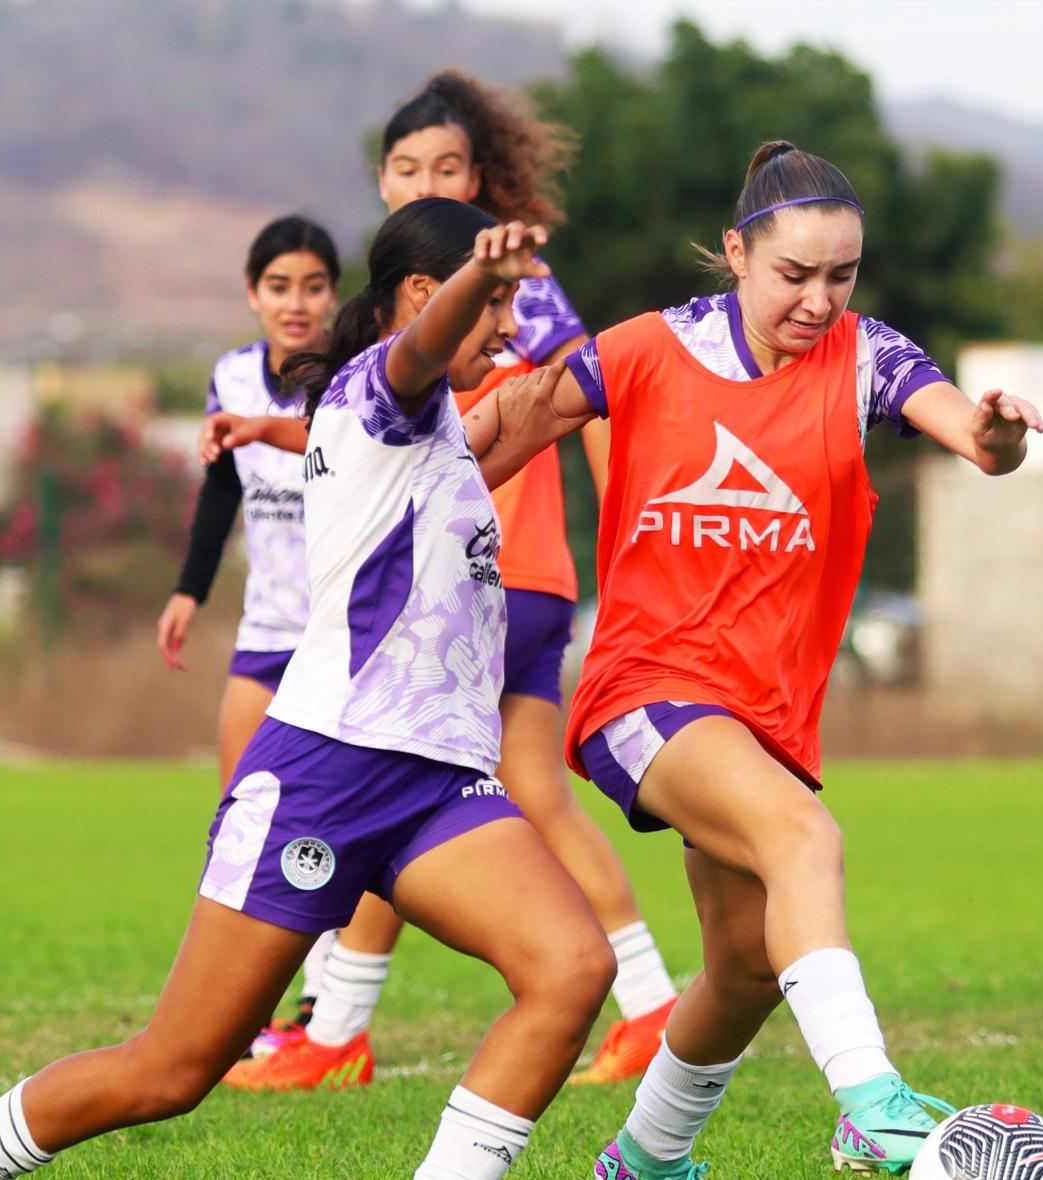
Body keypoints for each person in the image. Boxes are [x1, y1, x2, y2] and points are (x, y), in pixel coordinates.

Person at [0, 199, 615, 1180]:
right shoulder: (374, 394)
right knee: (171, 1071)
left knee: (569, 968)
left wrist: (744, 317)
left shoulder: (444, 442)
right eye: (496, 305)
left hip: (435, 786)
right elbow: (427, 343)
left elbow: (561, 393)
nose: (509, 325)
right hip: (323, 774)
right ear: (427, 294)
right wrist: (480, 271)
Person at [480, 141, 1043, 1178]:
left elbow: (970, 435)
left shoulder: (867, 356)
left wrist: (1000, 434)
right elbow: (490, 442)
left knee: (743, 968)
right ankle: (872, 1104)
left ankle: (644, 1160)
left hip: (762, 717)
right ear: (736, 254)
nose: (819, 299)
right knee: (801, 837)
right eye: (793, 274)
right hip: (643, 691)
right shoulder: (642, 350)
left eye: (841, 275)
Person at [232, 69, 677, 1095]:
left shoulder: (500, 286)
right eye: (404, 168)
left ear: (482, 183)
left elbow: (581, 398)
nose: (421, 180)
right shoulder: (410, 324)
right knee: (463, 791)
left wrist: (629, 546)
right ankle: (341, 1023)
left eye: (445, 167)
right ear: (381, 183)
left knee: (479, 788)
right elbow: (383, 412)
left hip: (496, 578)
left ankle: (341, 1022)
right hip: (450, 591)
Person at [155, 215, 338, 788]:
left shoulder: (357, 376)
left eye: (313, 286)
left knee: (349, 835)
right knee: (241, 813)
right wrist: (190, 590)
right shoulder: (232, 376)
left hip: (344, 639)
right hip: (266, 629)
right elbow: (223, 485)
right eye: (279, 285)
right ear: (252, 292)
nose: (296, 303)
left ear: (333, 294)